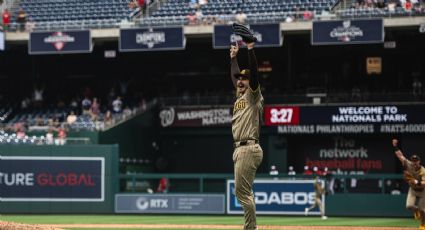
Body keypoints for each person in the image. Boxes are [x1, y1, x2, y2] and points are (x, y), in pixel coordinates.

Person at [230, 23, 263, 230]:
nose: (241, 81)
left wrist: (250, 48)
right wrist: (233, 58)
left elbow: (255, 76)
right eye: (239, 78)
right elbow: (235, 81)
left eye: (244, 78)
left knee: (242, 193)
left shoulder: (252, 95)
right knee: (243, 193)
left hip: (248, 147)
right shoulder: (240, 96)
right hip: (242, 149)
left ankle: (251, 229)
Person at [392, 138, 425, 229]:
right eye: (413, 160)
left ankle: (423, 224)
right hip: (413, 190)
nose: (414, 162)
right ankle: (416, 211)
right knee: (409, 206)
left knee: (423, 210)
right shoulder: (409, 164)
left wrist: (417, 181)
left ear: (419, 161)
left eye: (416, 161)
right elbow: (400, 156)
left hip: (423, 191)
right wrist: (395, 147)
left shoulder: (423, 170)